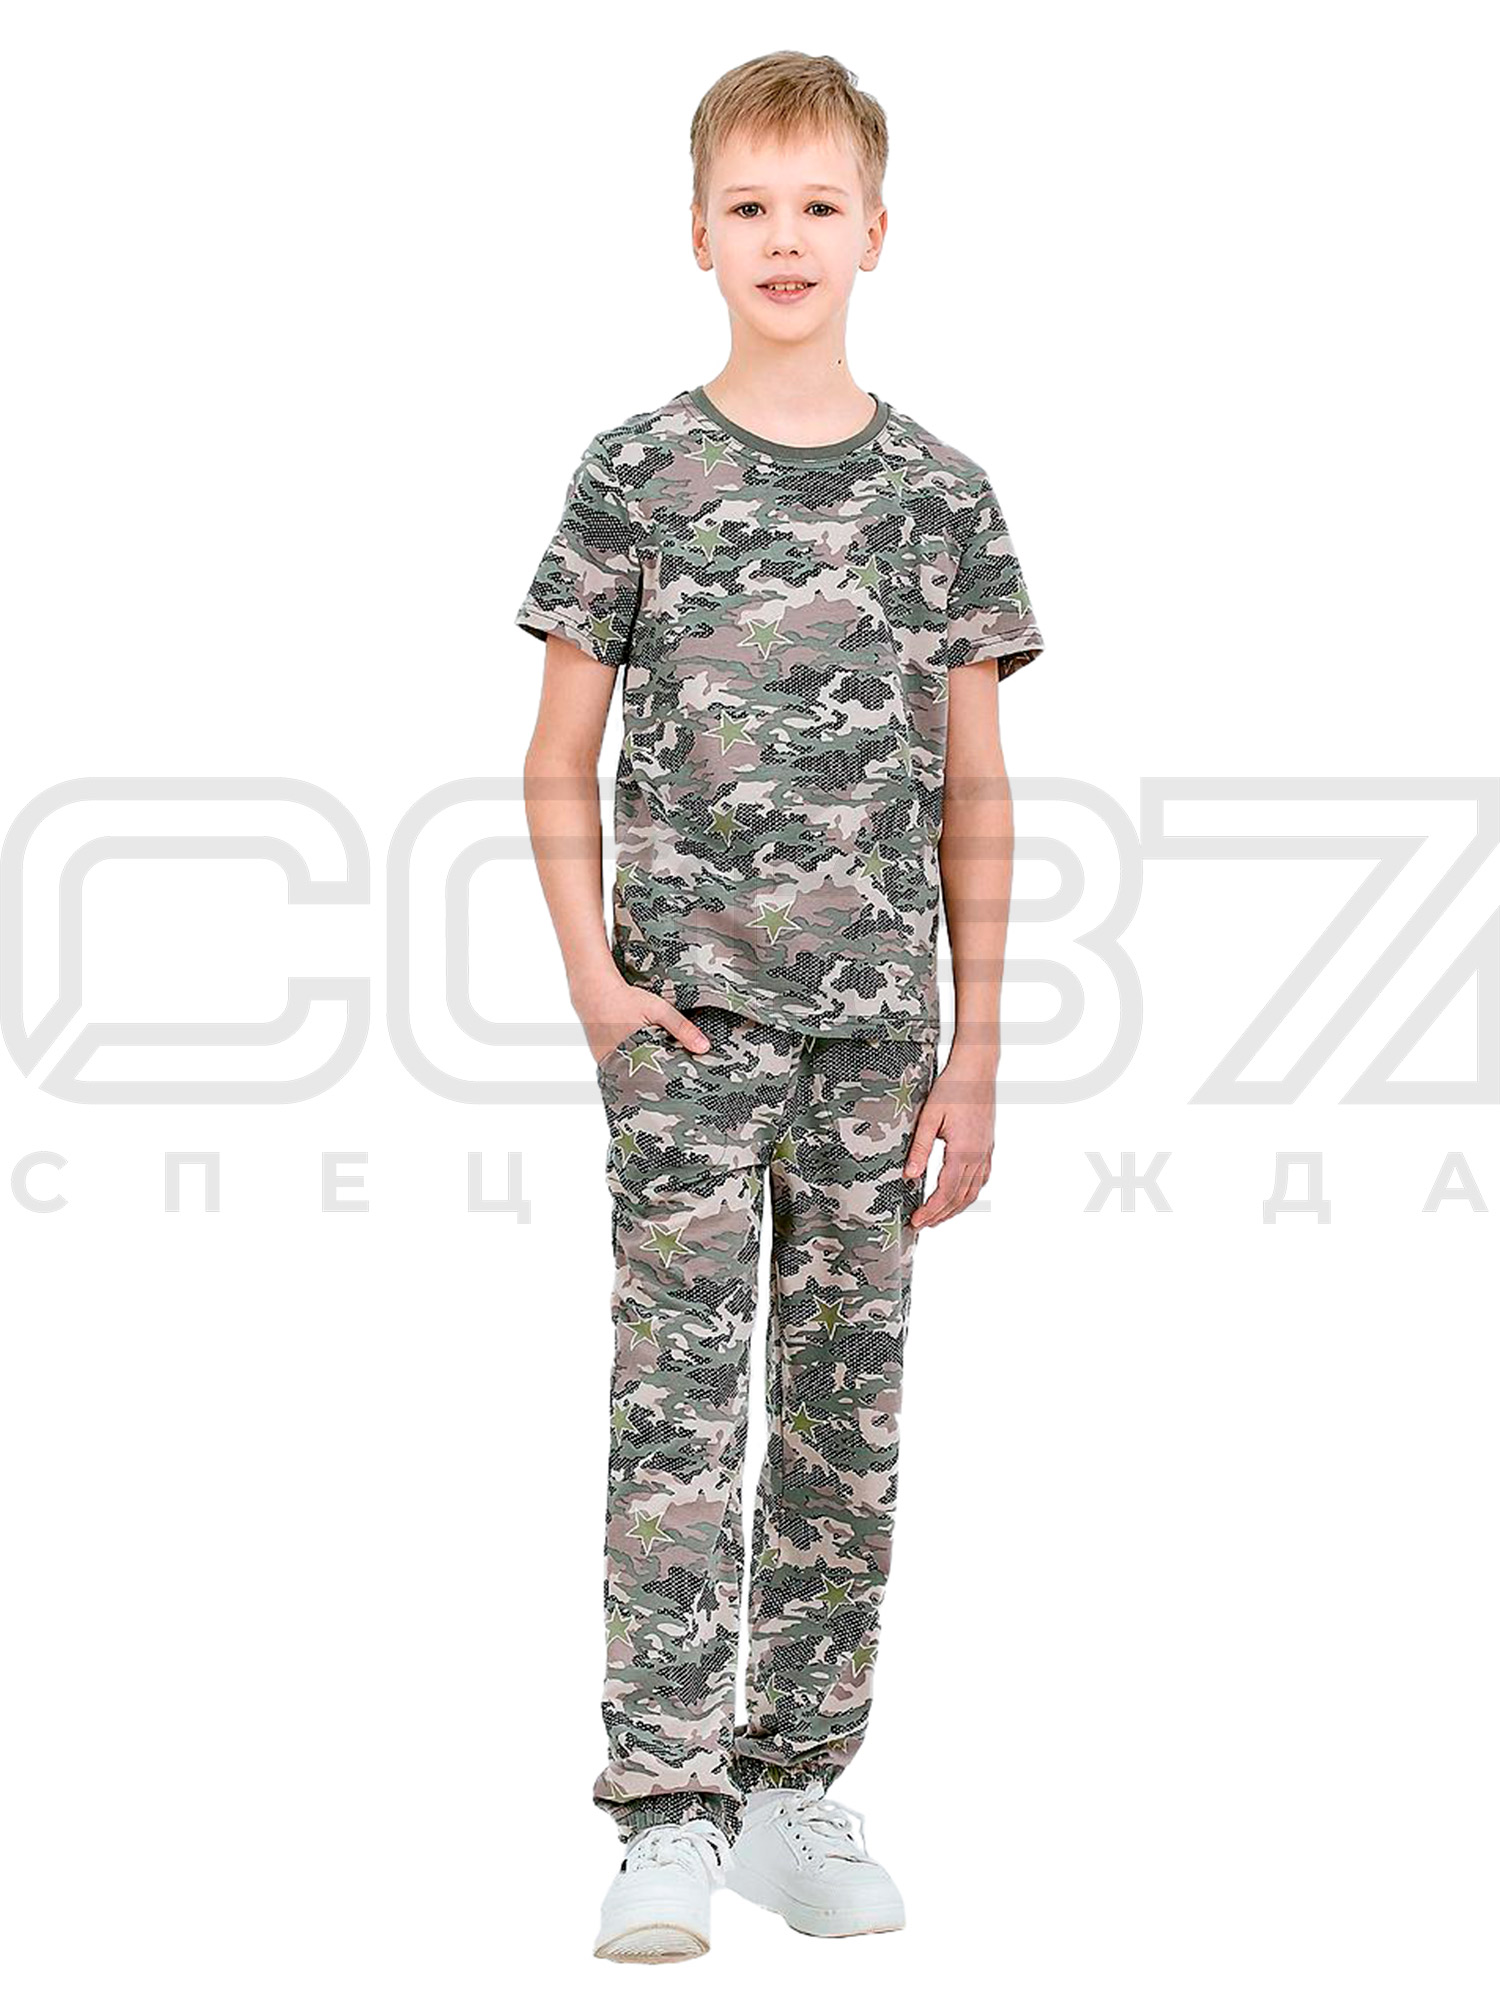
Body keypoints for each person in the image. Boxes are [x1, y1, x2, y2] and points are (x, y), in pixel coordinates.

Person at [516, 49, 1045, 1963]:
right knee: (674, 1418)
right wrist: (598, 989)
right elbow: (558, 755)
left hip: (875, 1043)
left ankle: (791, 1786)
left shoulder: (940, 498)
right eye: (751, 205)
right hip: (683, 1035)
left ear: (877, 231)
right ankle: (664, 1806)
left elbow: (975, 789)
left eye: (820, 204)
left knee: (840, 1425)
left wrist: (973, 1051)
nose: (786, 237)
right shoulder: (637, 473)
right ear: (698, 234)